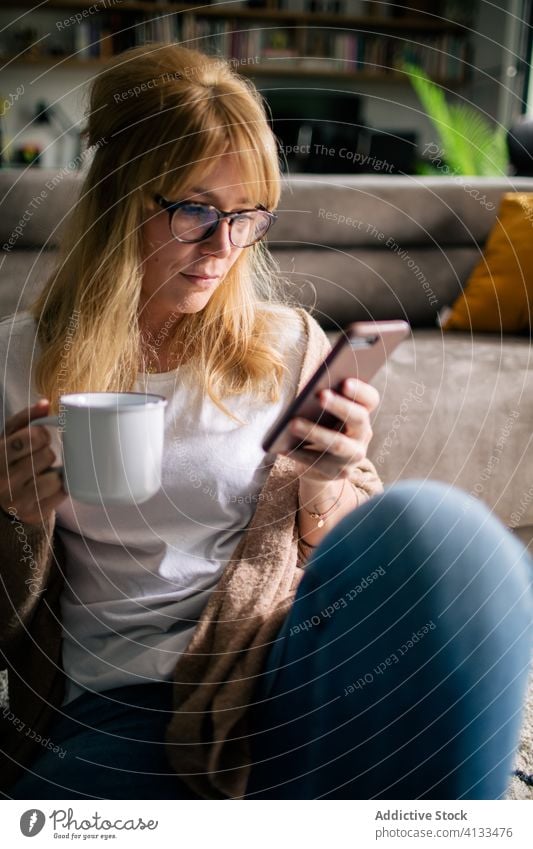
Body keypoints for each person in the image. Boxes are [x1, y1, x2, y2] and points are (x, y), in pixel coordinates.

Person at [0, 43, 531, 802]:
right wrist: (12, 521)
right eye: (194, 211)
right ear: (118, 197)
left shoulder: (288, 346)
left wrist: (325, 486)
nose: (223, 247)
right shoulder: (15, 363)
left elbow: (361, 560)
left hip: (287, 670)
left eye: (245, 217)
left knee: (446, 532)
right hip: (131, 703)